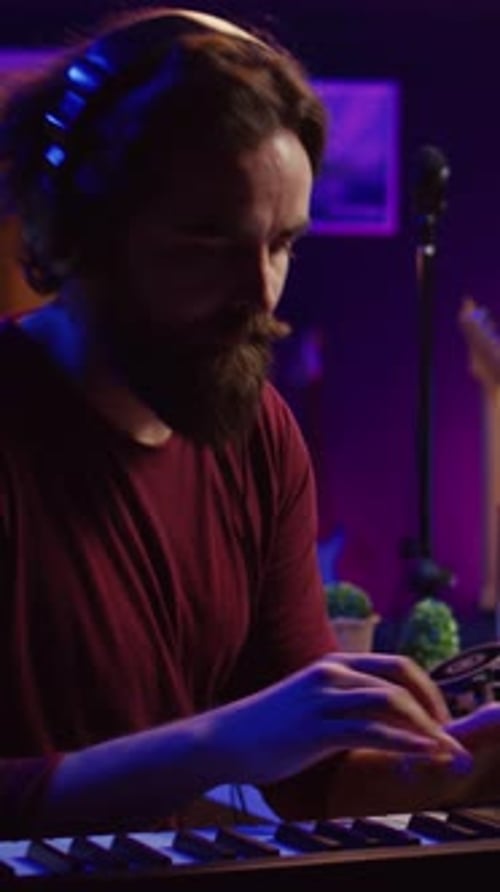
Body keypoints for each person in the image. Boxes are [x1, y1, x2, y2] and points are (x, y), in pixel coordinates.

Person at [0, 4, 499, 841]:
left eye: (282, 245)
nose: (261, 292)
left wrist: (461, 763)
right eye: (208, 241)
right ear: (81, 228)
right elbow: (245, 743)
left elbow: (312, 776)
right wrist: (222, 742)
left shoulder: (257, 434)